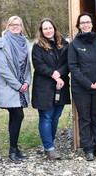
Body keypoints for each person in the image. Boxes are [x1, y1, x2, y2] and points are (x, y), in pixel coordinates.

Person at [68, 12, 96, 161]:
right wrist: (88, 83)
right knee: (85, 119)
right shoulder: (74, 45)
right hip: (81, 89)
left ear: (92, 24)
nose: (86, 24)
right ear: (79, 26)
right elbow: (73, 67)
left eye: (88, 22)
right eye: (83, 22)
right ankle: (88, 150)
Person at [32, 18, 71, 159]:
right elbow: (38, 65)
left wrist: (60, 73)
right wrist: (54, 74)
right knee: (46, 117)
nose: (48, 31)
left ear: (54, 28)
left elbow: (68, 62)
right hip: (44, 87)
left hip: (60, 86)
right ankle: (49, 148)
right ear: (41, 31)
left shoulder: (64, 44)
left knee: (55, 117)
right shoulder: (38, 46)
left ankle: (50, 144)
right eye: (45, 29)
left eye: (50, 28)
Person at [0, 15, 31, 163]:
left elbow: (28, 66)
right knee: (18, 115)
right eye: (12, 25)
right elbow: (3, 69)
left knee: (15, 116)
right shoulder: (1, 42)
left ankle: (15, 148)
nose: (15, 27)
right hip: (10, 86)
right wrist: (18, 86)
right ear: (7, 27)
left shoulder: (25, 43)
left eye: (18, 25)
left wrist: (27, 81)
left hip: (22, 85)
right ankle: (12, 150)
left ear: (22, 27)